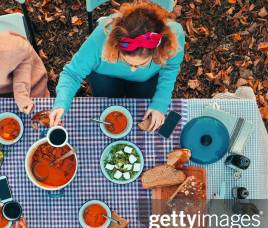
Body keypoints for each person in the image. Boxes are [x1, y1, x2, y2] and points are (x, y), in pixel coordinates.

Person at [49, 1, 185, 131]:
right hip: (104, 76)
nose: (132, 69)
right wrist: (61, 103)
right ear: (115, 45)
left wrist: (160, 103)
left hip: (146, 80)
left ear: (158, 51)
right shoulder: (101, 38)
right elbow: (72, 73)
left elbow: (170, 68)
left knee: (140, 107)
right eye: (126, 61)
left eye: (142, 64)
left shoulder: (173, 37)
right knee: (106, 104)